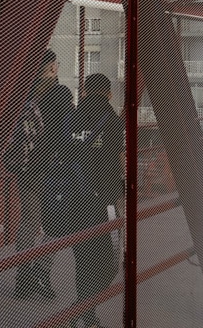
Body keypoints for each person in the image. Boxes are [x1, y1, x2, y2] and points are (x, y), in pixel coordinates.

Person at [5, 50, 69, 301]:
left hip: (26, 167)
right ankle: (41, 272)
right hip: (51, 170)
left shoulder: (24, 95)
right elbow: (68, 129)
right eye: (57, 64)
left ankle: (23, 278)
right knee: (55, 223)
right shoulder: (61, 93)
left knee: (29, 222)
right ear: (52, 68)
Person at [70, 72, 124, 328]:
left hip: (76, 198)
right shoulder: (113, 120)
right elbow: (116, 159)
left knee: (83, 259)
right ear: (109, 93)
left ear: (85, 92)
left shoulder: (72, 117)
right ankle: (79, 311)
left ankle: (86, 315)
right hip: (105, 200)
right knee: (113, 259)